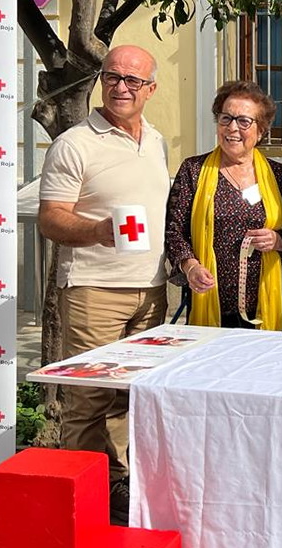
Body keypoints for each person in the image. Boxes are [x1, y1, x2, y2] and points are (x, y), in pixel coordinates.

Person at [37, 45, 168, 522]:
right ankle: (80, 502)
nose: (121, 87)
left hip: (151, 289)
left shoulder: (156, 140)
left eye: (133, 80)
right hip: (94, 289)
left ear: (150, 89)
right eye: (112, 77)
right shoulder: (75, 143)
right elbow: (50, 219)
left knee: (130, 398)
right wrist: (97, 231)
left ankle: (116, 487)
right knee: (89, 400)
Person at [165, 81, 282, 329]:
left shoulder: (280, 176)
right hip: (209, 299)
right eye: (225, 118)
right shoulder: (193, 171)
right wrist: (190, 266)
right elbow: (175, 231)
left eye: (244, 121)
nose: (232, 128)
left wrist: (279, 241)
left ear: (260, 131)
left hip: (266, 304)